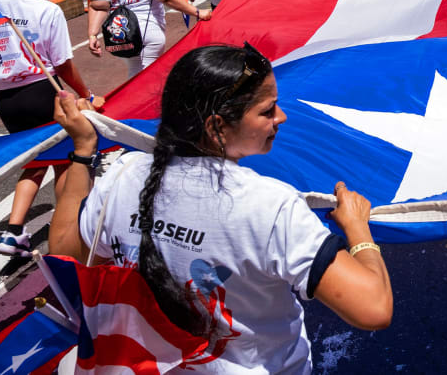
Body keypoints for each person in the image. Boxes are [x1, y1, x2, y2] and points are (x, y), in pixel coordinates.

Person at [49, 44, 393, 371]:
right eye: (267, 110)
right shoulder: (271, 207)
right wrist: (358, 227)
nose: (282, 117)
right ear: (217, 127)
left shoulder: (123, 176)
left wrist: (83, 150)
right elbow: (373, 308)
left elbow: (66, 251)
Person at [0, 0, 101, 258]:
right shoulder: (46, 9)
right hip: (42, 91)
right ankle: (68, 229)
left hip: (8, 98)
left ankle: (14, 231)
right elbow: (62, 64)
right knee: (64, 160)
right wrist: (86, 94)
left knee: (34, 161)